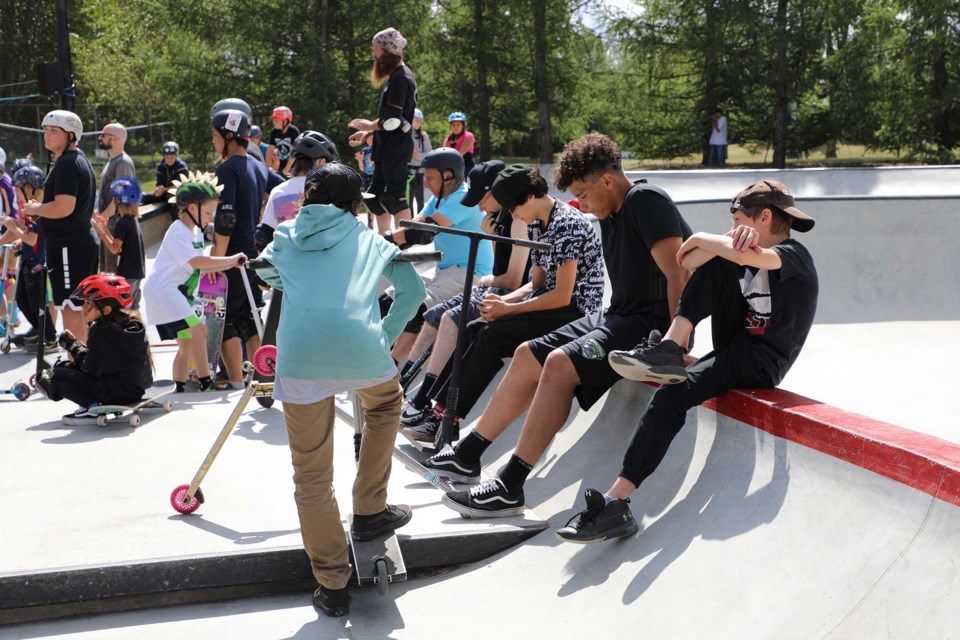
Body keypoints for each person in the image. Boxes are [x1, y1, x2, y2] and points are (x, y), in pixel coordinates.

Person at [429, 134, 691, 518]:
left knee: (557, 364)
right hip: (615, 314)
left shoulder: (646, 201)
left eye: (584, 194)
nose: (581, 205)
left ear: (606, 179)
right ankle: (468, 455)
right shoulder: (612, 212)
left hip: (645, 325)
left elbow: (678, 273)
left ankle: (510, 484)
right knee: (526, 354)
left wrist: (674, 345)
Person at [555, 179, 818, 543]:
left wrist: (711, 239)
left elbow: (744, 256)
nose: (731, 228)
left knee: (669, 396)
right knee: (721, 261)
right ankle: (670, 347)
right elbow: (688, 260)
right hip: (732, 347)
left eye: (737, 219)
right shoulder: (738, 252)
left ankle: (616, 500)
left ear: (765, 217)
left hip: (761, 359)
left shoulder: (795, 254)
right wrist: (717, 244)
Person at [256, 163, 425, 618]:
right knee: (386, 406)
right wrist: (383, 337)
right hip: (362, 352)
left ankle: (332, 584)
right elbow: (412, 292)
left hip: (300, 360)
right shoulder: (369, 236)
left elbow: (267, 277)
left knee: (311, 477)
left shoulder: (287, 234)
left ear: (308, 199)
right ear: (355, 205)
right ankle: (370, 507)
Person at [403, 163, 604, 443]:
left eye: (512, 207)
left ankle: (450, 419)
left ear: (530, 196)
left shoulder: (567, 225)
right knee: (474, 326)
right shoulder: (537, 223)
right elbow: (535, 283)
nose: (512, 215)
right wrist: (501, 301)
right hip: (549, 302)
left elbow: (562, 296)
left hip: (576, 312)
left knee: (490, 337)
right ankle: (439, 412)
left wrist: (509, 309)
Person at [399, 160, 530, 424]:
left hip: (505, 292)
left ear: (498, 193)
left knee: (451, 320)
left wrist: (484, 280)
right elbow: (501, 268)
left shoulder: (519, 223)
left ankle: (424, 400)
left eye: (482, 200)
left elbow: (513, 280)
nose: (480, 209)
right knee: (432, 317)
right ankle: (403, 384)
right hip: (491, 285)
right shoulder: (495, 221)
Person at [381, 147, 493, 363]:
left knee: (417, 305)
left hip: (469, 272)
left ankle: (390, 366)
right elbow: (416, 225)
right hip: (444, 269)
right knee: (387, 300)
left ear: (448, 175)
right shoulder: (440, 198)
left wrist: (383, 242)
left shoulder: (464, 198)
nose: (425, 184)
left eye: (431, 178)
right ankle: (372, 349)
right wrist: (384, 241)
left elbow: (422, 232)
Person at [142, 172, 246, 393]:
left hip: (176, 292)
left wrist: (227, 264)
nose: (212, 217)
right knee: (199, 330)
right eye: (208, 212)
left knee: (187, 344)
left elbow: (203, 262)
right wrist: (229, 260)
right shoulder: (178, 231)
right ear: (191, 207)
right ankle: (205, 381)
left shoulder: (195, 232)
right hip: (164, 290)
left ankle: (179, 386)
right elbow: (197, 261)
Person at [22, 110, 99, 344]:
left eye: (54, 131)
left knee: (72, 309)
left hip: (69, 247)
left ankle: (77, 364)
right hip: (73, 245)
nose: (47, 135)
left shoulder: (67, 164)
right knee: (78, 308)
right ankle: (82, 362)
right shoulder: (74, 160)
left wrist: (36, 209)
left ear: (71, 136)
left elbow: (64, 207)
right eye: (45, 130)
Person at [35, 274, 153, 425]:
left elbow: (90, 368)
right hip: (135, 390)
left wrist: (73, 346)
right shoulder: (134, 324)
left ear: (107, 309)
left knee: (48, 376)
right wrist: (77, 347)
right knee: (64, 366)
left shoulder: (100, 330)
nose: (83, 309)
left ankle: (92, 408)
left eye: (89, 304)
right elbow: (107, 360)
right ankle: (92, 403)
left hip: (114, 394)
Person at [210, 107, 269, 388]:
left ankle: (236, 382)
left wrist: (216, 261)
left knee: (227, 320)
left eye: (215, 135)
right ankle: (261, 378)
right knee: (252, 317)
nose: (213, 141)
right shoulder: (259, 167)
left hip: (232, 255)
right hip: (252, 254)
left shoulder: (227, 168)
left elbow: (226, 218)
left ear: (229, 135)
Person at [348, 27, 417, 234]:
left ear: (387, 52)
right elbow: (391, 121)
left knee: (395, 197)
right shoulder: (395, 76)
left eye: (376, 50)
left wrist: (369, 125)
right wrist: (368, 134)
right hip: (386, 148)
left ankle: (405, 242)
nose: (374, 55)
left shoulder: (400, 78)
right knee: (375, 197)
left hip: (396, 149)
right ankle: (383, 239)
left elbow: (393, 120)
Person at [256, 130, 340, 252]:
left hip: (288, 265)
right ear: (321, 161)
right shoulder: (329, 189)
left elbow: (264, 236)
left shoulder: (278, 191)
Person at [4, 165, 58, 348]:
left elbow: (33, 238)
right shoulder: (30, 211)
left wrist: (14, 229)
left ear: (29, 190)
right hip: (28, 259)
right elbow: (28, 236)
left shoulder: (38, 212)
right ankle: (37, 330)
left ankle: (49, 337)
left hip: (36, 264)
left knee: (36, 304)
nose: (17, 197)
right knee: (23, 300)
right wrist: (20, 239)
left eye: (18, 192)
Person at [92, 178, 146, 310]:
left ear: (119, 201)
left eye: (114, 199)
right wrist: (105, 229)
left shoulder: (123, 223)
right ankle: (140, 330)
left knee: (125, 310)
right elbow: (120, 246)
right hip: (135, 273)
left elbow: (115, 249)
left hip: (129, 275)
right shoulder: (131, 221)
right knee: (133, 309)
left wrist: (100, 232)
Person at [95, 123, 136, 273]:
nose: (100, 137)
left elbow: (121, 197)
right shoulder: (113, 161)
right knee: (106, 273)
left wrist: (101, 218)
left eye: (104, 135)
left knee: (113, 277)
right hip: (109, 226)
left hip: (116, 228)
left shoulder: (123, 163)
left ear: (116, 139)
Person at [142, 141, 189, 220]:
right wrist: (159, 190)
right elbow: (159, 183)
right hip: (165, 193)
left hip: (179, 194)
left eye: (172, 157)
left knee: (171, 197)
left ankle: (177, 222)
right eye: (167, 157)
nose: (169, 160)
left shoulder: (181, 166)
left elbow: (180, 186)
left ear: (176, 155)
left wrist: (164, 190)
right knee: (144, 197)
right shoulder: (161, 166)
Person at [408, 108, 432, 214]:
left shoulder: (423, 136)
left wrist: (416, 155)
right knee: (408, 200)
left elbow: (429, 154)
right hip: (407, 172)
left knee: (420, 200)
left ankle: (420, 224)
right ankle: (409, 223)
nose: (418, 122)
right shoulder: (404, 136)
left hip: (420, 172)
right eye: (416, 119)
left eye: (420, 120)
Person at [266, 106, 300, 176]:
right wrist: (266, 168)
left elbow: (295, 152)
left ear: (285, 121)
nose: (274, 123)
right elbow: (270, 150)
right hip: (281, 167)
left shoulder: (293, 131)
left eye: (276, 120)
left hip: (294, 168)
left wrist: (286, 169)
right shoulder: (274, 131)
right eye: (273, 120)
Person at [443, 112, 475, 177]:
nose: (455, 127)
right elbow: (443, 152)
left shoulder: (468, 136)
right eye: (453, 125)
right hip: (452, 169)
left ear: (463, 126)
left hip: (466, 169)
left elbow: (460, 154)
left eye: (458, 125)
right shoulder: (448, 138)